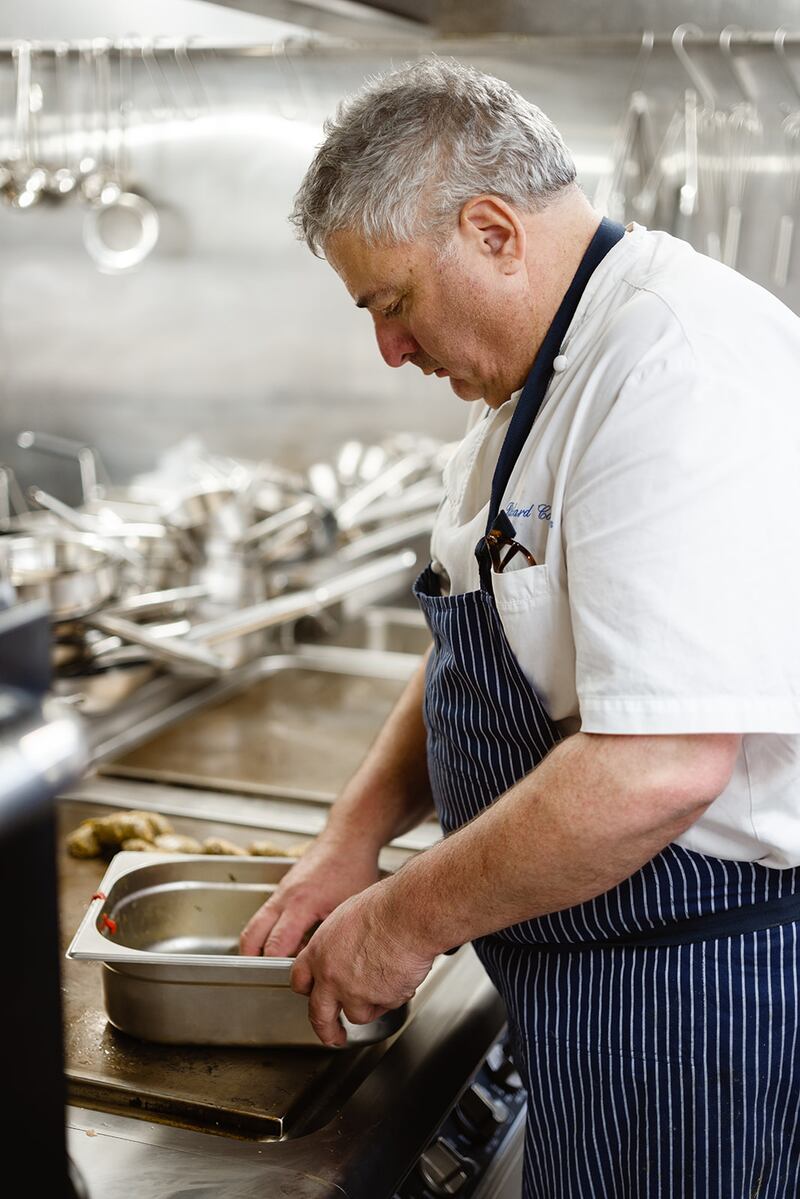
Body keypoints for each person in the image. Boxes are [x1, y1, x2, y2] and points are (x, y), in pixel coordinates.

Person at [240, 57, 800, 1198]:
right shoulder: (527, 380)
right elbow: (482, 627)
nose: (389, 349)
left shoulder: (670, 370)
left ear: (494, 232)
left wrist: (403, 920)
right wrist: (355, 833)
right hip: (591, 974)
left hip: (692, 1008)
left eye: (392, 302)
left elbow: (658, 766)